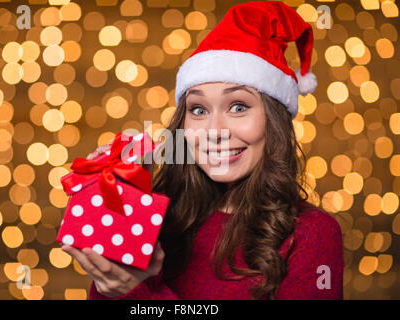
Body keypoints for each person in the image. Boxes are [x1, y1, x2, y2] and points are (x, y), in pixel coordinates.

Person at [62, 1, 344, 300]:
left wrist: (140, 291)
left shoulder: (312, 234)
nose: (213, 131)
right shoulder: (160, 218)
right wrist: (117, 202)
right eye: (198, 109)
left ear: (273, 121)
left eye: (238, 106)